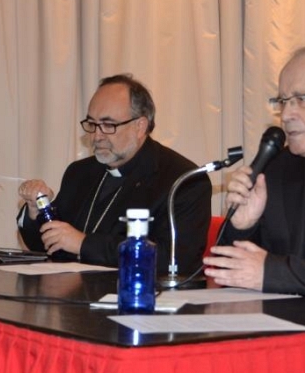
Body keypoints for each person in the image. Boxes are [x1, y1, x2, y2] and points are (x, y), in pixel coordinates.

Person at [17, 74, 212, 275]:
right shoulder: (79, 172)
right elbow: (46, 246)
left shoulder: (183, 180)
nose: (97, 136)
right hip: (74, 296)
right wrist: (36, 211)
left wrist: (84, 244)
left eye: (108, 125)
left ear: (140, 126)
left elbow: (175, 259)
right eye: (92, 124)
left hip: (140, 298)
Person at [204, 47, 305, 294]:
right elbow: (228, 272)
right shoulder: (276, 170)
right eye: (283, 102)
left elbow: (264, 272)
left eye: (301, 99)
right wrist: (243, 226)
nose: (286, 115)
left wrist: (270, 273)